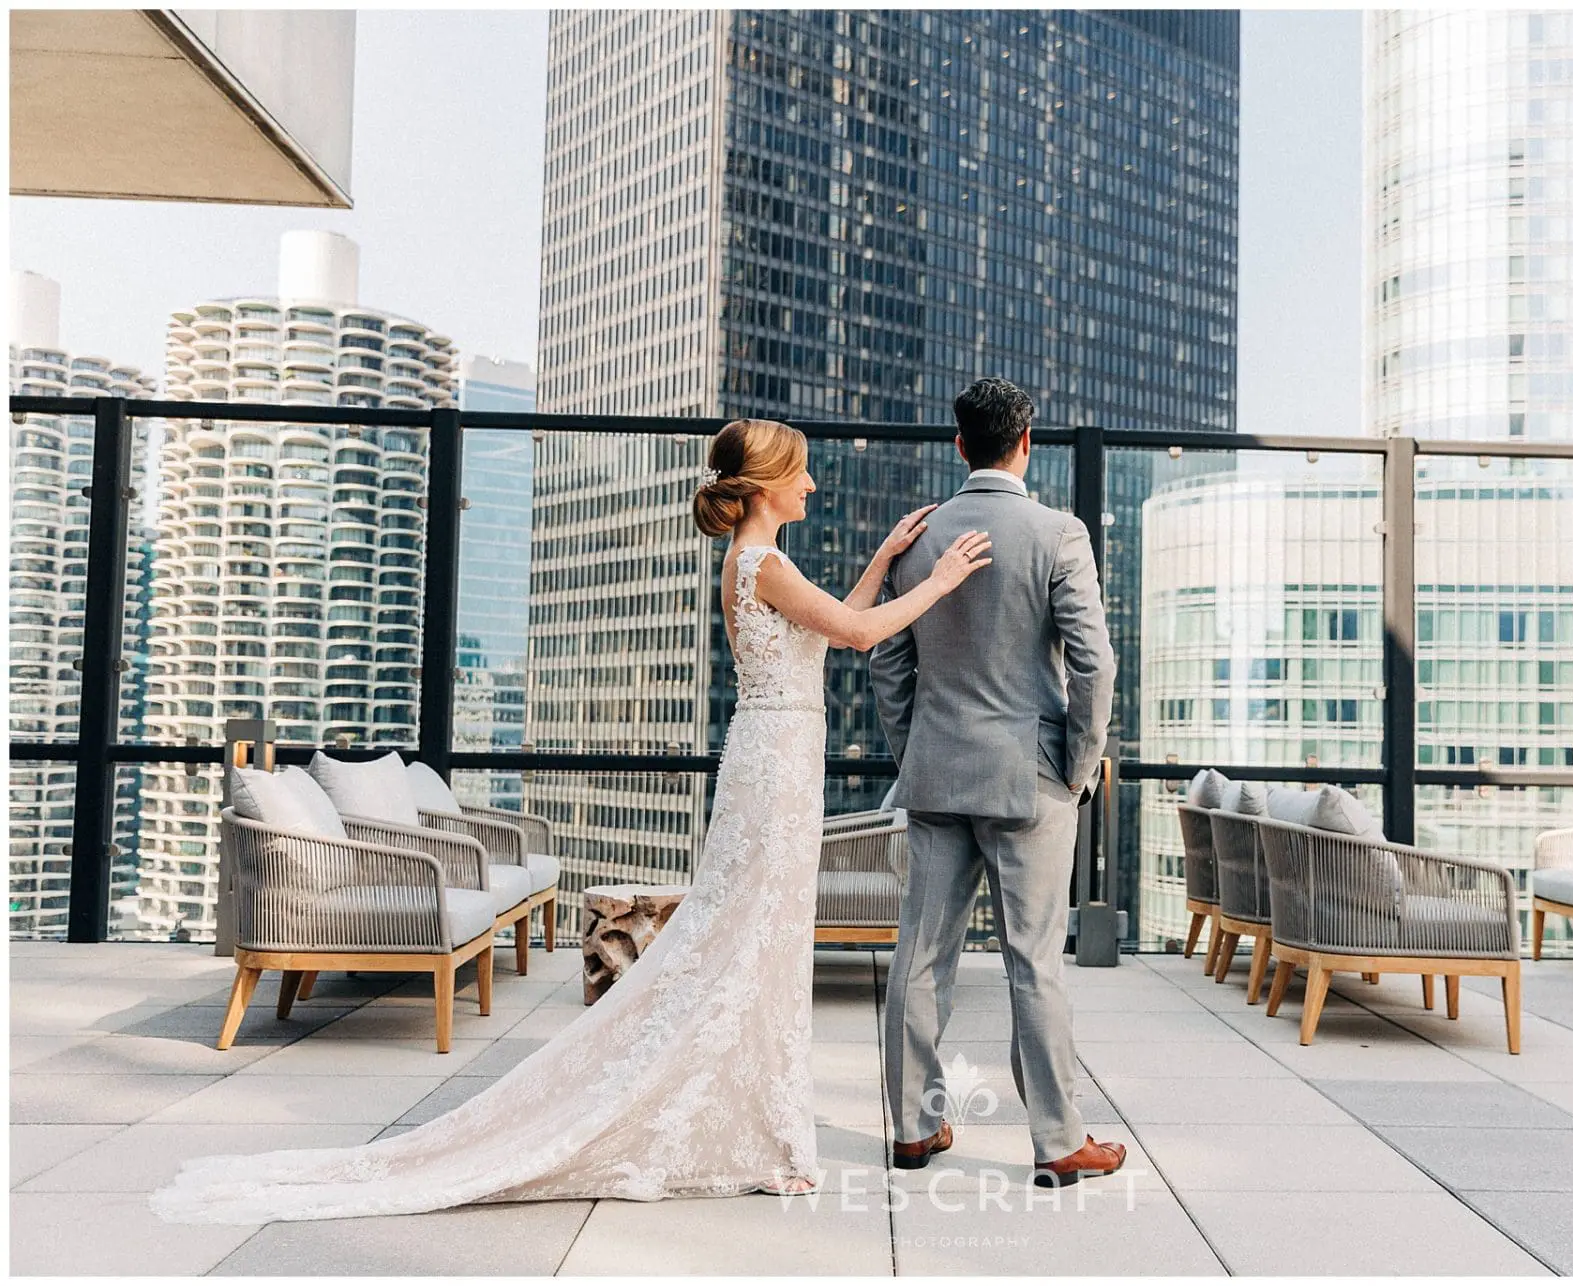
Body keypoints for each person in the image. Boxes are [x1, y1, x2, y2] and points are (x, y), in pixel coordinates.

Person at [150, 418, 991, 1223]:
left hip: (779, 758)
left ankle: (760, 1122)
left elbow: (829, 627)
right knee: (752, 939)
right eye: (802, 471)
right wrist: (939, 578)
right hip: (774, 768)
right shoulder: (761, 561)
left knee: (760, 941)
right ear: (768, 484)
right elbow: (854, 632)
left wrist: (884, 556)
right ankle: (755, 1128)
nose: (813, 482)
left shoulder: (762, 559)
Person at [871, 377, 1125, 1187]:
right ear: (1027, 441)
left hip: (939, 771)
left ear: (959, 445)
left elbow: (887, 658)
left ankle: (912, 1130)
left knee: (919, 958)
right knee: (1034, 963)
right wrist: (1078, 767)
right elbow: (1095, 664)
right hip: (1031, 781)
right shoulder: (1058, 533)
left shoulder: (916, 537)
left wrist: (918, 746)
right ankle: (1057, 1142)